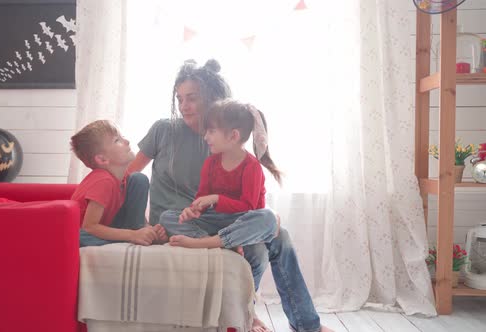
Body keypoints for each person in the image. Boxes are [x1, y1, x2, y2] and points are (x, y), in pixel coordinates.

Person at [127, 59, 330, 332]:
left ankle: (305, 325)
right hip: (179, 222)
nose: (183, 106)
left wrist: (261, 217)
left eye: (192, 98)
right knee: (254, 243)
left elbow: (242, 196)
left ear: (210, 100)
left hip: (217, 220)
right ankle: (246, 313)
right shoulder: (164, 130)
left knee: (279, 235)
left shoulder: (220, 140)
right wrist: (134, 224)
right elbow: (128, 176)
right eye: (179, 99)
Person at [159, 99, 279, 251]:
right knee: (167, 217)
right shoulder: (210, 163)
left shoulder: (252, 166)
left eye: (211, 131)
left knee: (268, 218)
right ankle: (213, 241)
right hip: (215, 219)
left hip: (242, 221)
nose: (206, 137)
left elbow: (248, 207)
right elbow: (202, 197)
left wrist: (216, 198)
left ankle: (205, 243)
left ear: (233, 136)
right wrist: (193, 210)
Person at [70, 120, 167, 247]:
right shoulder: (103, 181)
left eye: (122, 138)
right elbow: (89, 227)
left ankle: (139, 231)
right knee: (78, 237)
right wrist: (131, 235)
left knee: (139, 179)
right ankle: (132, 236)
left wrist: (148, 230)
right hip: (83, 232)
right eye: (117, 140)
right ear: (102, 159)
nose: (126, 142)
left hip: (109, 225)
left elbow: (131, 211)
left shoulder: (123, 178)